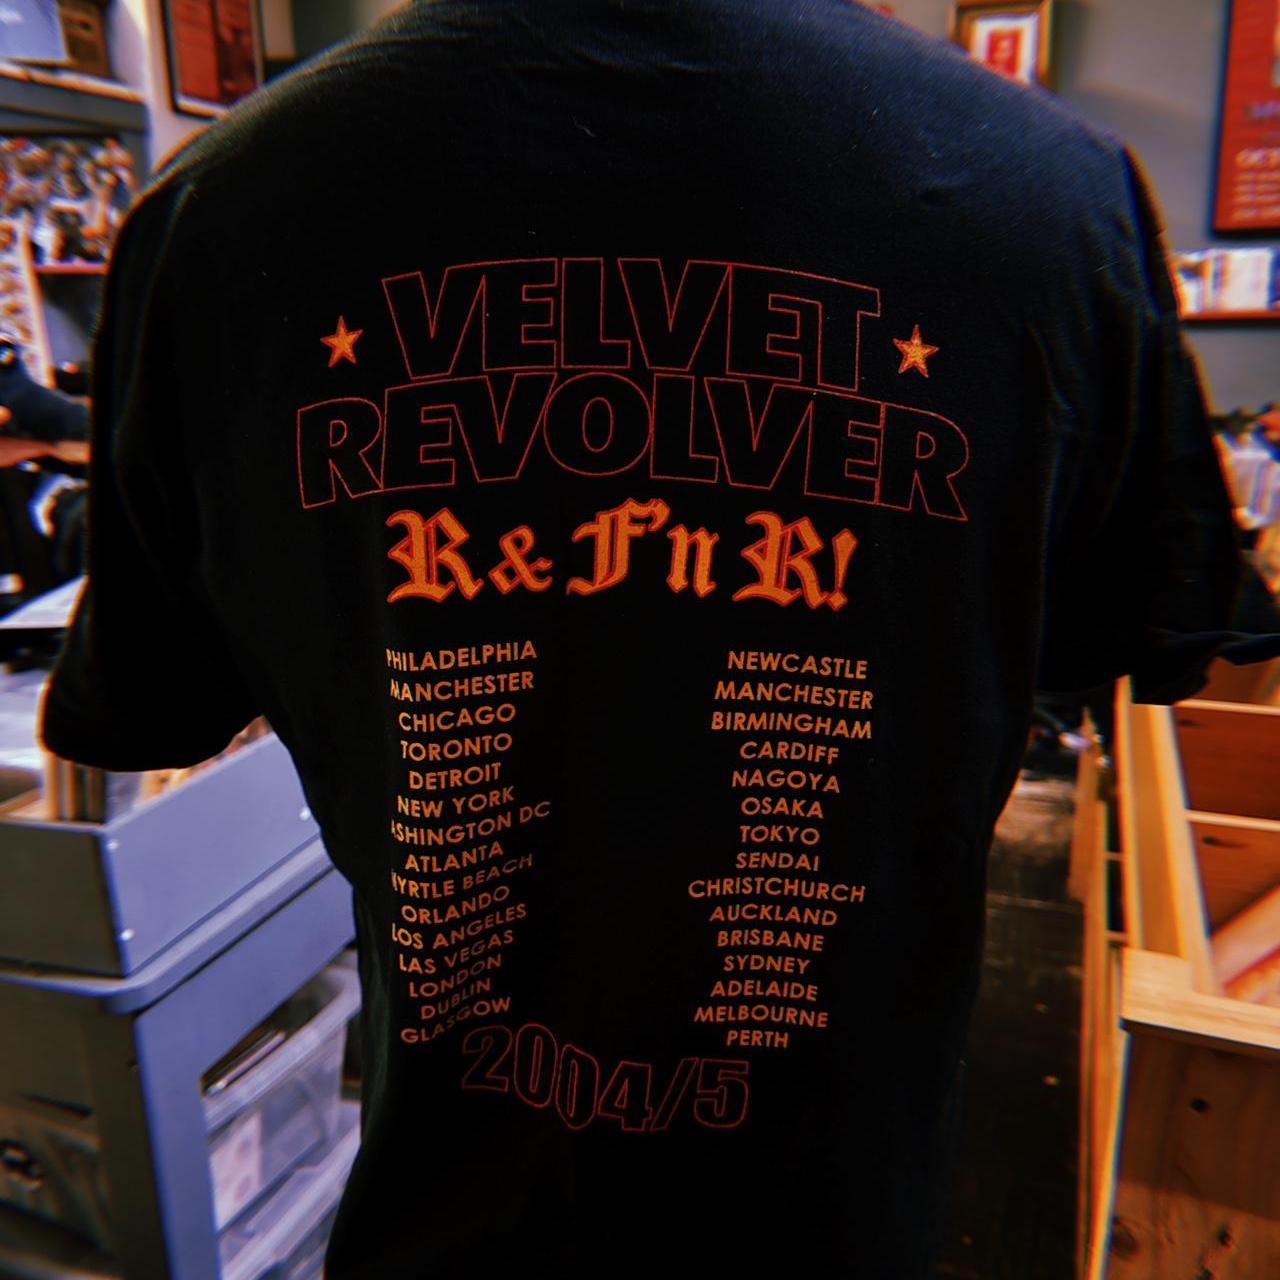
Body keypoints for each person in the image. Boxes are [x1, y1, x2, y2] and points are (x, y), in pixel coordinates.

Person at [36, 2, 1280, 1276]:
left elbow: (153, 699)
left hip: (465, 1210)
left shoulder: (218, 209)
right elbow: (1105, 638)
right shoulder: (1054, 196)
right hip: (823, 1214)